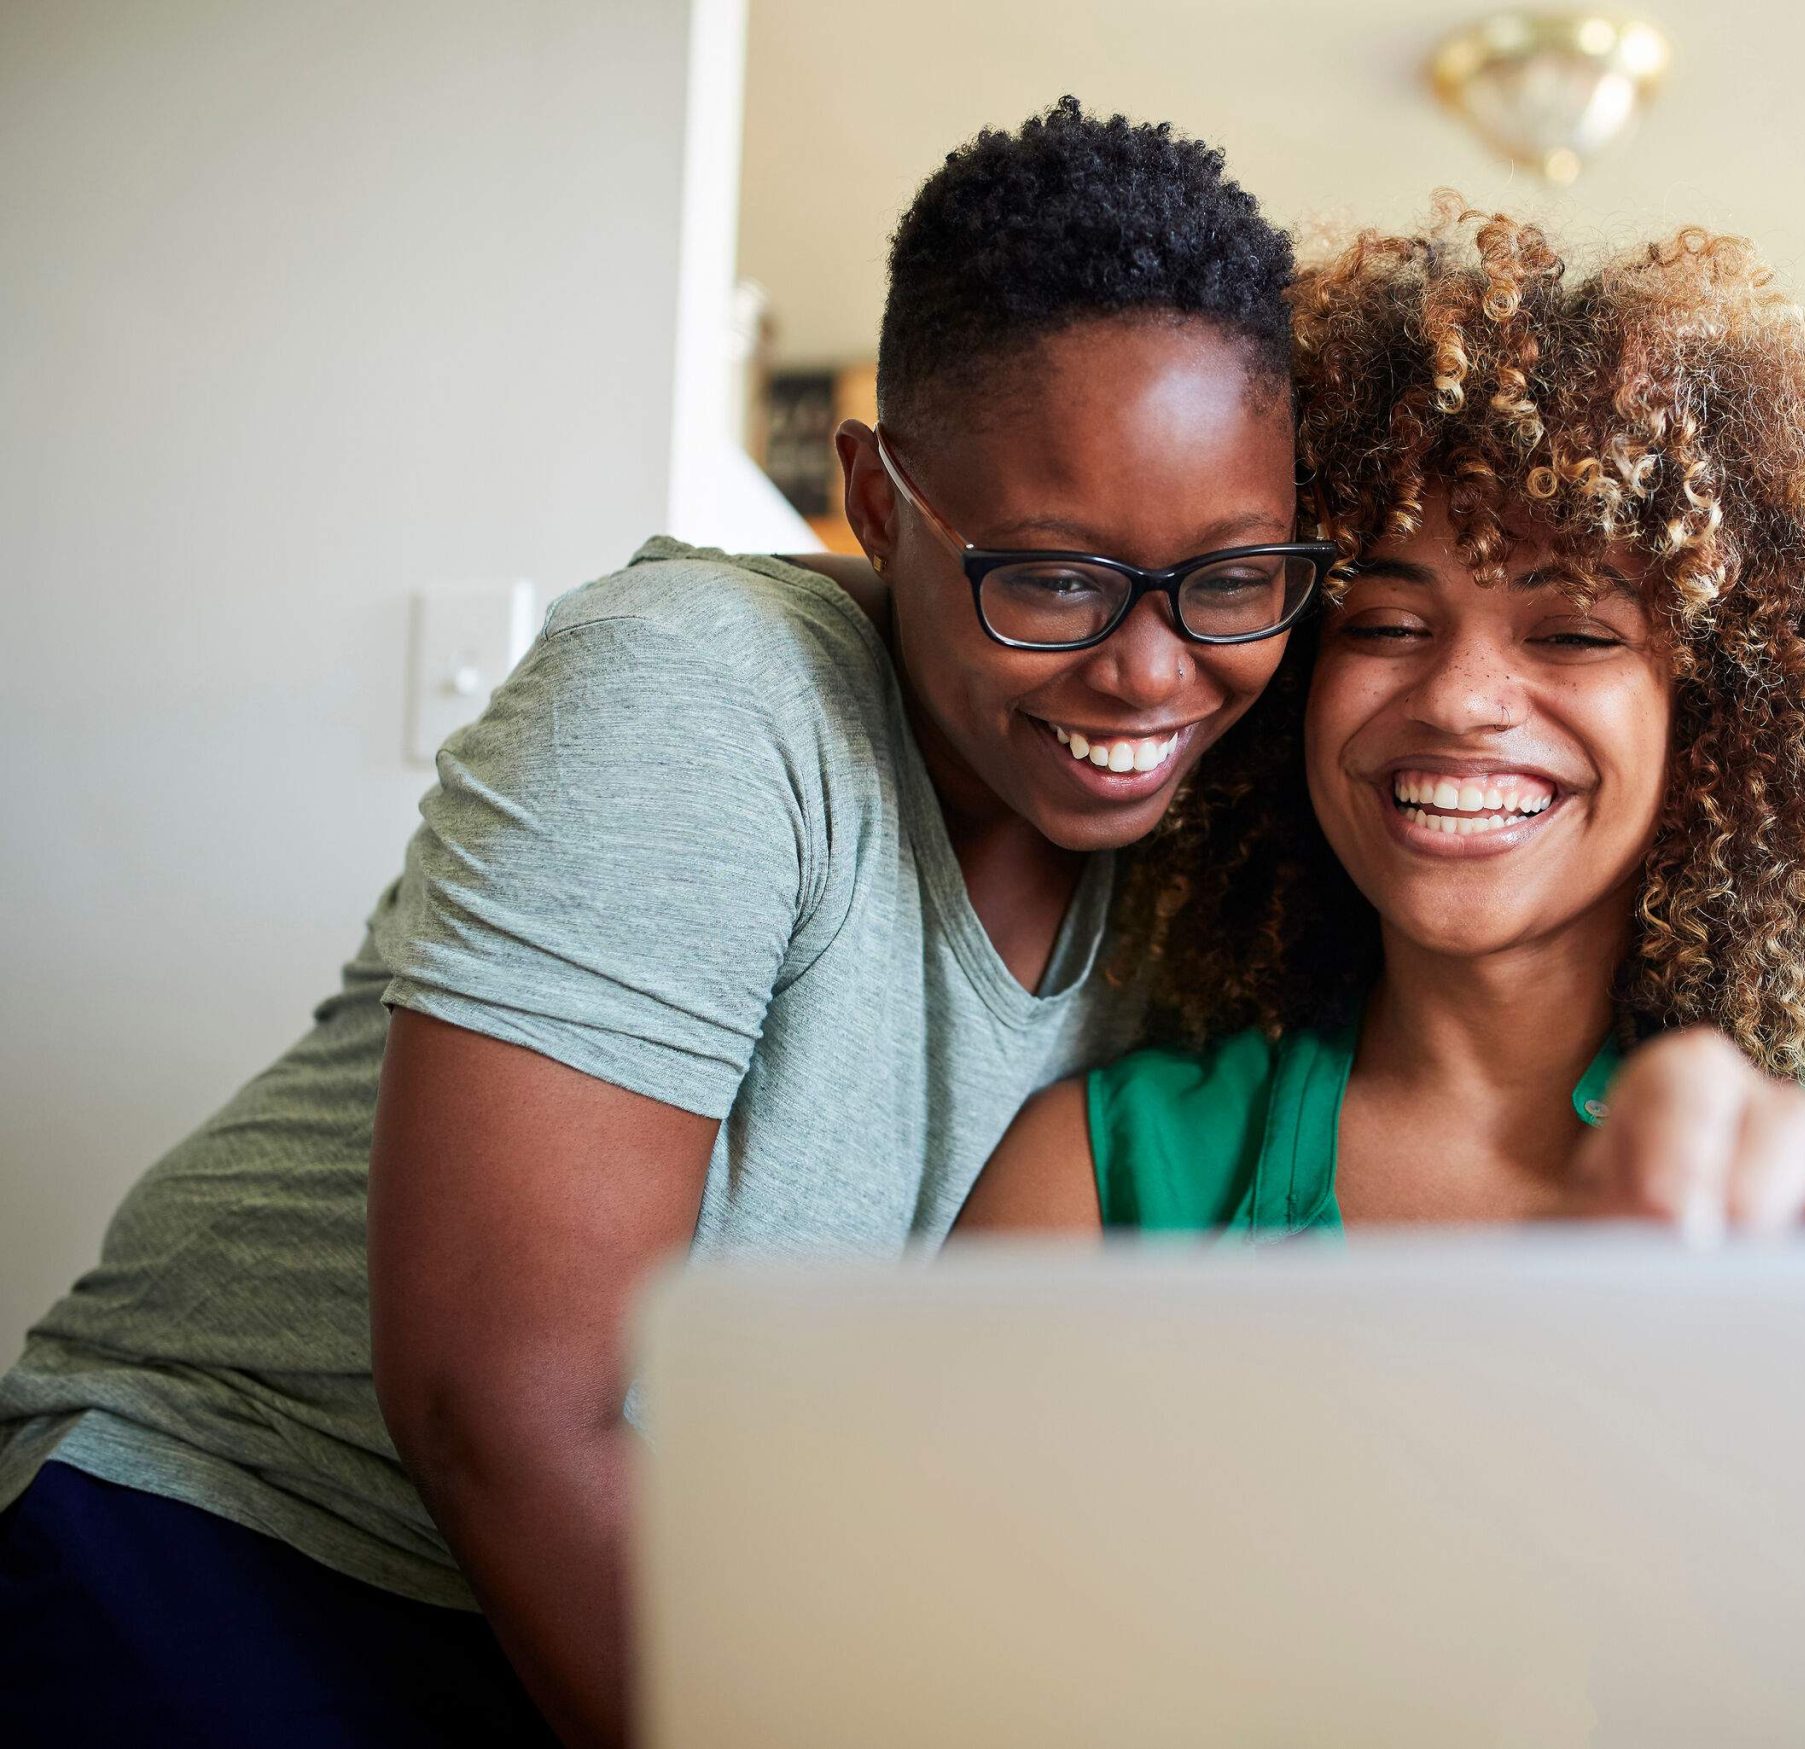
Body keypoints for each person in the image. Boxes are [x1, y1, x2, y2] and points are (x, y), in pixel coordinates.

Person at [0, 101, 1318, 1748]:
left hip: (628, 1600)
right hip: (235, 1535)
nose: (1149, 670)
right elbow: (500, 1413)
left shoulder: (1207, 853)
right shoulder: (703, 690)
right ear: (877, 500)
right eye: (1051, 576)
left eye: (1233, 577)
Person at [960, 207, 1805, 1239]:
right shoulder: (1097, 1183)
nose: (1454, 697)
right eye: (1385, 624)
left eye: (1574, 634)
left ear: (1723, 707)